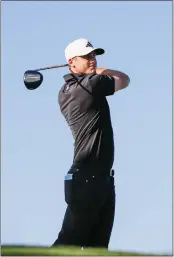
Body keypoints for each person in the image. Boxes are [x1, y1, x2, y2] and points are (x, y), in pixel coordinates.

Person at [52, 38, 130, 249]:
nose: (92, 59)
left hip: (96, 178)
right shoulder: (90, 85)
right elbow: (124, 79)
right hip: (89, 177)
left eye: (94, 55)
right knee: (68, 244)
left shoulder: (65, 90)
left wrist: (89, 70)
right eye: (86, 56)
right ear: (72, 62)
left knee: (97, 249)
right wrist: (101, 70)